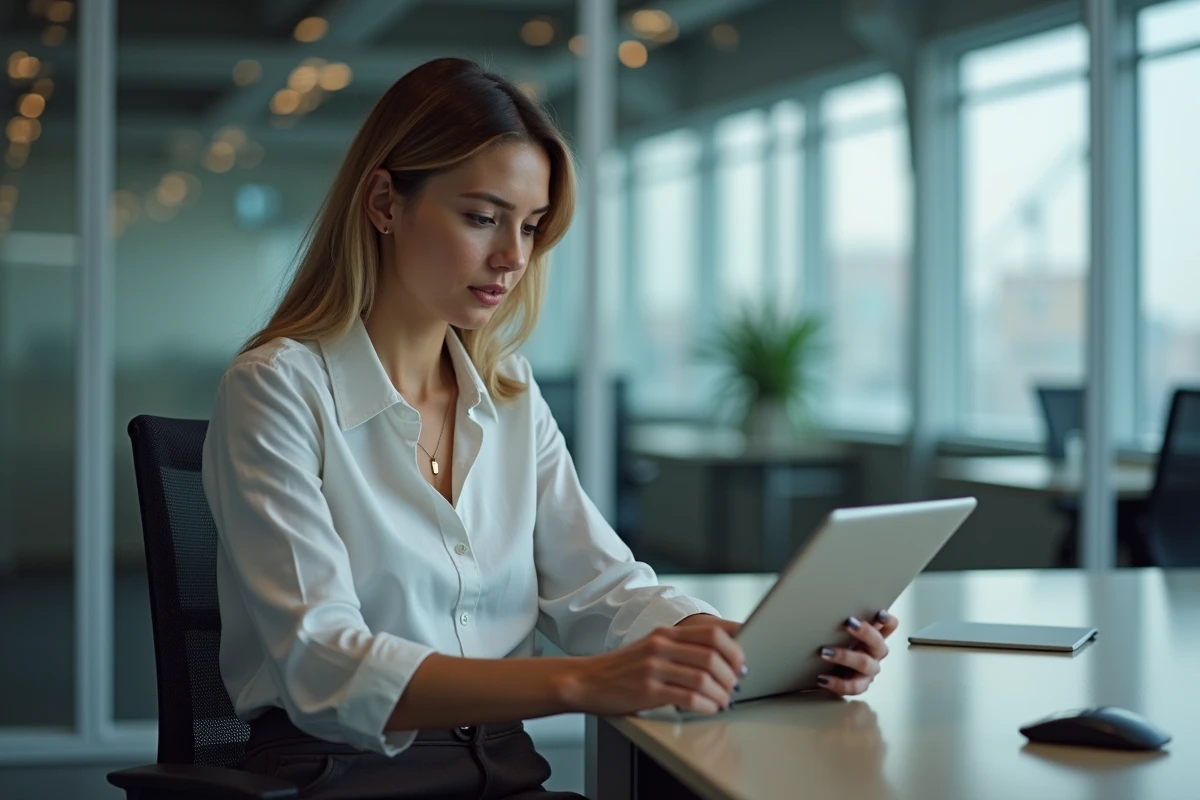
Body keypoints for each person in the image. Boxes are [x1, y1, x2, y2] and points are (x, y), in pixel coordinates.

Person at [201, 57, 898, 800]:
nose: (512, 257)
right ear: (383, 202)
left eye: (530, 226)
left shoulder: (508, 395)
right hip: (340, 777)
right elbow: (323, 666)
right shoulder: (276, 388)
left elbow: (601, 589)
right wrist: (583, 680)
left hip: (503, 774)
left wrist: (740, 648)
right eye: (481, 217)